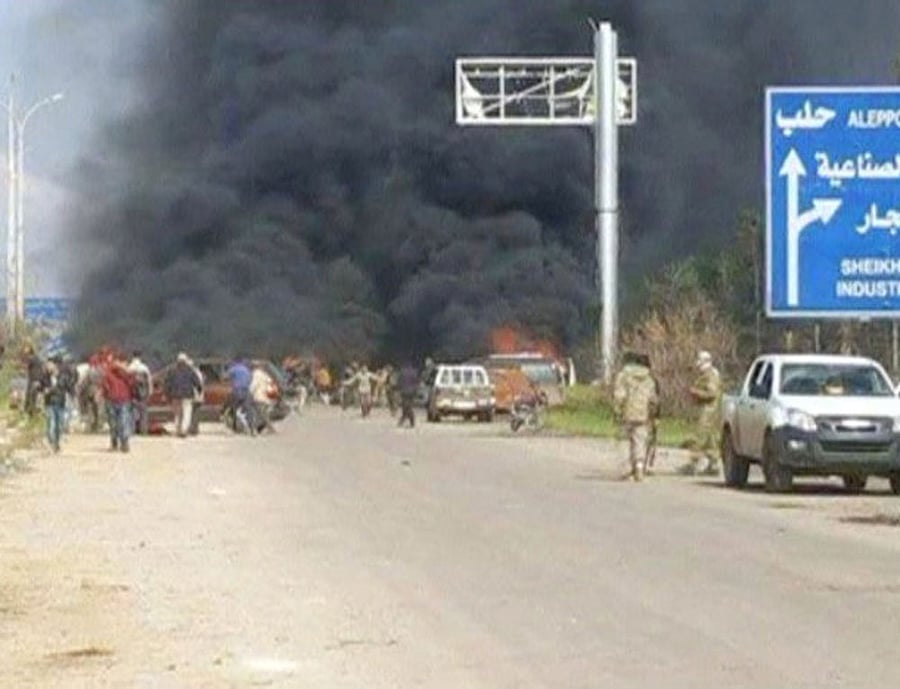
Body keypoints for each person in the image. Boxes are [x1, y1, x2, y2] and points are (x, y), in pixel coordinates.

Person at [613, 352, 659, 482]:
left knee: (625, 441)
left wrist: (617, 410)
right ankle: (639, 468)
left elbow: (620, 395)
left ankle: (628, 469)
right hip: (643, 414)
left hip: (627, 413)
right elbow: (653, 399)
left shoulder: (623, 376)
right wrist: (653, 413)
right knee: (640, 441)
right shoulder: (649, 378)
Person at [681, 350, 723, 476]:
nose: (697, 363)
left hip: (708, 411)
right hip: (708, 410)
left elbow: (712, 393)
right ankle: (713, 465)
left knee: (699, 438)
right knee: (710, 439)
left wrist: (695, 392)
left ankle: (693, 464)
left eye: (699, 360)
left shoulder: (711, 375)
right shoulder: (705, 375)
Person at [41, 356, 76, 453]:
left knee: (59, 424)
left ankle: (56, 444)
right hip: (49, 403)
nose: (48, 367)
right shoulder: (45, 377)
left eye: (50, 364)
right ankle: (51, 442)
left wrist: (73, 395)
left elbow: (68, 386)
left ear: (55, 365)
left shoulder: (63, 376)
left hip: (60, 402)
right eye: (47, 365)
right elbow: (41, 387)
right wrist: (41, 390)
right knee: (50, 423)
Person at [165, 353, 202, 438]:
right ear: (185, 361)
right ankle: (184, 430)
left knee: (177, 414)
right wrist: (199, 391)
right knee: (186, 413)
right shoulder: (190, 370)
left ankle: (178, 429)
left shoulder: (172, 370)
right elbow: (197, 382)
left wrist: (167, 394)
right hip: (187, 395)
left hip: (175, 395)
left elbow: (167, 383)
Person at [102, 354, 135, 453]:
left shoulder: (108, 373)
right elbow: (132, 383)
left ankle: (114, 443)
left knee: (113, 423)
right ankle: (124, 443)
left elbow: (105, 386)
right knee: (123, 421)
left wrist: (106, 395)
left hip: (112, 399)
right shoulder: (126, 373)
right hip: (124, 399)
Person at [226, 356, 255, 434]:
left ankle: (234, 428)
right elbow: (250, 379)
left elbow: (226, 377)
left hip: (237, 390)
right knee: (249, 410)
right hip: (246, 390)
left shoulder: (234, 368)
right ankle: (252, 428)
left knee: (233, 409)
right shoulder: (247, 370)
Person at [128, 351, 153, 435]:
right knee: (143, 412)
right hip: (143, 393)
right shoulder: (144, 367)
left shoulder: (129, 367)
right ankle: (143, 430)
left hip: (132, 393)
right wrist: (150, 391)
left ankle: (132, 429)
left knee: (132, 412)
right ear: (140, 357)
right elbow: (149, 380)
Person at [250, 364, 276, 434]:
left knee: (261, 414)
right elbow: (270, 383)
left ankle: (270, 429)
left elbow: (254, 385)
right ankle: (261, 428)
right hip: (266, 397)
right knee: (262, 414)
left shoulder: (256, 374)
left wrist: (250, 392)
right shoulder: (265, 375)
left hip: (259, 397)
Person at [24, 344, 46, 416]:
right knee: (33, 396)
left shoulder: (32, 358)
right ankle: (31, 412)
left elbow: (26, 367)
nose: (24, 350)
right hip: (35, 379)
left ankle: (31, 413)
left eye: (26, 348)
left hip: (34, 379)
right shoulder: (36, 358)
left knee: (32, 396)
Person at [186, 357, 205, 435]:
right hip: (198, 395)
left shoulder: (193, 373)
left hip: (194, 395)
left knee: (191, 412)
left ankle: (193, 429)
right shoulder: (198, 372)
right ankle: (194, 429)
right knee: (195, 413)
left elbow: (197, 385)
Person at [397, 363, 419, 428]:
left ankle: (409, 419)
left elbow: (399, 381)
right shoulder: (414, 372)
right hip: (411, 392)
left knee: (406, 406)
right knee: (408, 405)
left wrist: (399, 389)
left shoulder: (402, 372)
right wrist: (415, 390)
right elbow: (416, 382)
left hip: (404, 391)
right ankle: (405, 419)